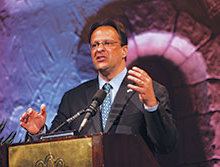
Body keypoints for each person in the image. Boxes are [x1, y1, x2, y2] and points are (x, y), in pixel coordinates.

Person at [20, 19, 177, 154]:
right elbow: (56, 147)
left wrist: (151, 105)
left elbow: (165, 145)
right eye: (95, 45)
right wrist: (39, 133)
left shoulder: (149, 91)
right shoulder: (73, 98)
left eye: (107, 43)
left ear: (124, 50)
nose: (99, 49)